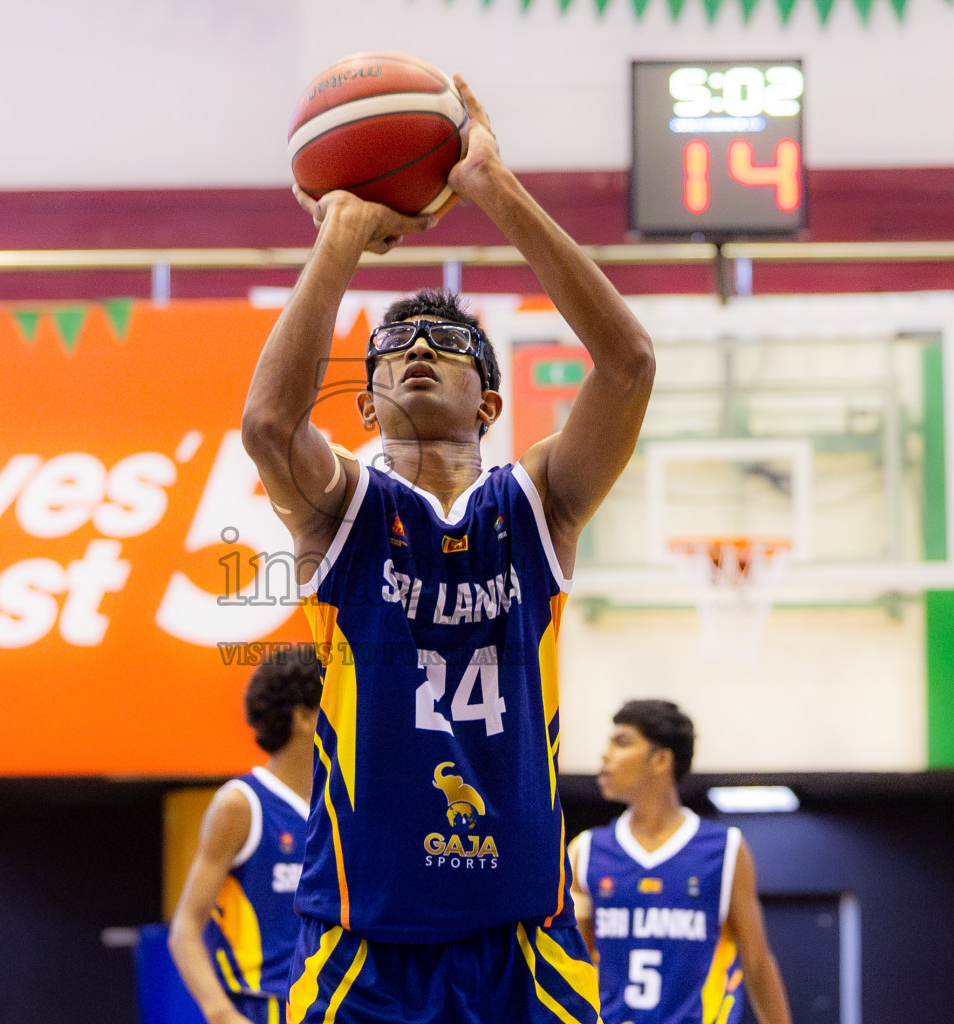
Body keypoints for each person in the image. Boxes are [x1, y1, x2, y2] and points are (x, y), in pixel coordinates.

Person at [240, 73, 655, 1024]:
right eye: (395, 343)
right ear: (366, 395)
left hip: (522, 942)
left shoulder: (537, 504)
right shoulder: (340, 508)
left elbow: (629, 364)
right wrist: (341, 231)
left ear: (492, 402)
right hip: (363, 944)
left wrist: (494, 190)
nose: (417, 345)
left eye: (445, 339)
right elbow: (268, 423)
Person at [569, 700, 792, 1024]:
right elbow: (575, 966)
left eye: (622, 742)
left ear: (660, 758)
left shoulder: (725, 849)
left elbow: (757, 963)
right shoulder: (587, 850)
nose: (605, 754)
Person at [169, 644, 322, 1024]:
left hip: (328, 1005)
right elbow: (185, 929)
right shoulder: (243, 805)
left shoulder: (341, 805)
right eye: (333, 707)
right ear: (303, 716)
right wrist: (221, 1013)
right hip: (258, 1006)